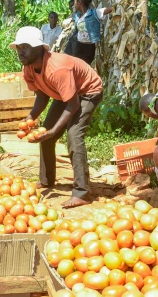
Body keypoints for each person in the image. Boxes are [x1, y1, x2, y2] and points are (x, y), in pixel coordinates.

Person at [11, 26, 103, 209]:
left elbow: (74, 104)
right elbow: (42, 96)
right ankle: (46, 180)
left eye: (25, 47)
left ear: (39, 49)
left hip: (87, 91)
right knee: (44, 134)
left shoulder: (57, 69)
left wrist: (54, 131)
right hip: (65, 94)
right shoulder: (28, 67)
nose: (21, 51)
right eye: (18, 47)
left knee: (74, 135)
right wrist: (30, 118)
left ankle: (82, 192)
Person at [71, 0, 101, 65]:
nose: (74, 5)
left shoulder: (94, 13)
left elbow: (108, 10)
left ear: (79, 2)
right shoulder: (77, 16)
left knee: (85, 68)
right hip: (79, 46)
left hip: (89, 47)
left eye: (75, 2)